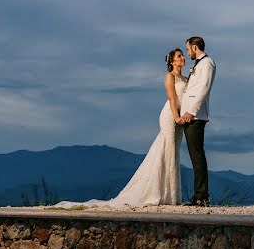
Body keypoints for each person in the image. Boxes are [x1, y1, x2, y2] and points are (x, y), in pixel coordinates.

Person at [51, 49, 187, 208]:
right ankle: (165, 195)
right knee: (168, 150)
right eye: (179, 56)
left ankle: (172, 194)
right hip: (170, 116)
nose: (183, 57)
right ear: (172, 62)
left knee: (174, 152)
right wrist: (176, 116)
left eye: (182, 55)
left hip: (180, 118)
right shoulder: (170, 77)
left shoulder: (185, 78)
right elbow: (171, 98)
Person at [177, 36, 216, 207]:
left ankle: (201, 196)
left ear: (194, 47)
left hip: (195, 116)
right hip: (190, 115)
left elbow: (203, 89)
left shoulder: (207, 63)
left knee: (197, 156)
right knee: (195, 156)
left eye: (187, 49)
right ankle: (199, 195)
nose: (187, 52)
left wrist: (191, 112)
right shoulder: (199, 64)